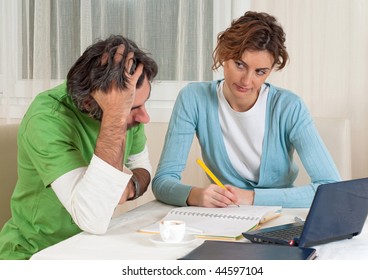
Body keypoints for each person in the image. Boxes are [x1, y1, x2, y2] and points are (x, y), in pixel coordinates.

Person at [152, 11, 341, 209]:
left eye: (260, 72)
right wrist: (194, 195)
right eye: (240, 65)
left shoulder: (289, 107)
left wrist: (251, 198)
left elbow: (331, 188)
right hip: (225, 216)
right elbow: (163, 182)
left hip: (280, 215)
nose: (246, 81)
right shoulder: (194, 98)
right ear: (225, 55)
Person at [0, 35, 158, 259]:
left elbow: (141, 166)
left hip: (89, 247)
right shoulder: (46, 118)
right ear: (88, 103)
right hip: (35, 254)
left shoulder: (127, 108)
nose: (145, 117)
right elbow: (91, 218)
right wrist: (116, 116)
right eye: (133, 108)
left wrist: (131, 186)